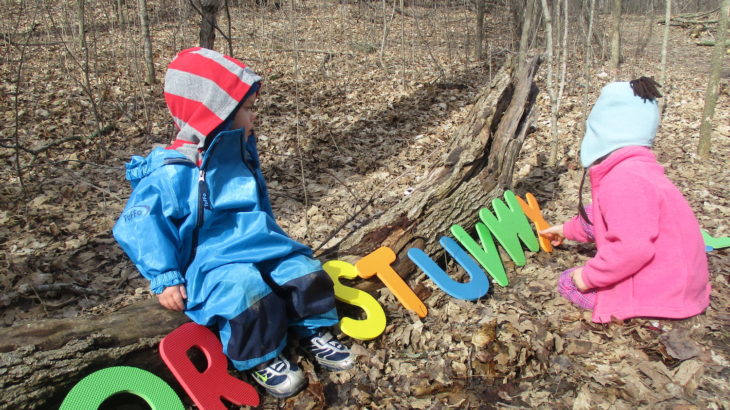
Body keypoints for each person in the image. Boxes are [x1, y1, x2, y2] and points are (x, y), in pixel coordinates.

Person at [113, 47, 354, 398]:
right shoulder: (172, 172)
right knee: (243, 290)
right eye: (247, 109)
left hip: (257, 243)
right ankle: (260, 357)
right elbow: (138, 225)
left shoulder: (235, 153)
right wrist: (164, 276)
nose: (254, 118)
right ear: (215, 114)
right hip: (210, 262)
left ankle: (313, 329)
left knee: (301, 269)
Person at [540, 77, 711, 324]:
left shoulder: (625, 179)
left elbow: (633, 248)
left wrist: (588, 277)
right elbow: (607, 217)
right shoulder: (637, 169)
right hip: (678, 283)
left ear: (601, 131)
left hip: (663, 292)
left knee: (568, 282)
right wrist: (567, 230)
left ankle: (630, 308)